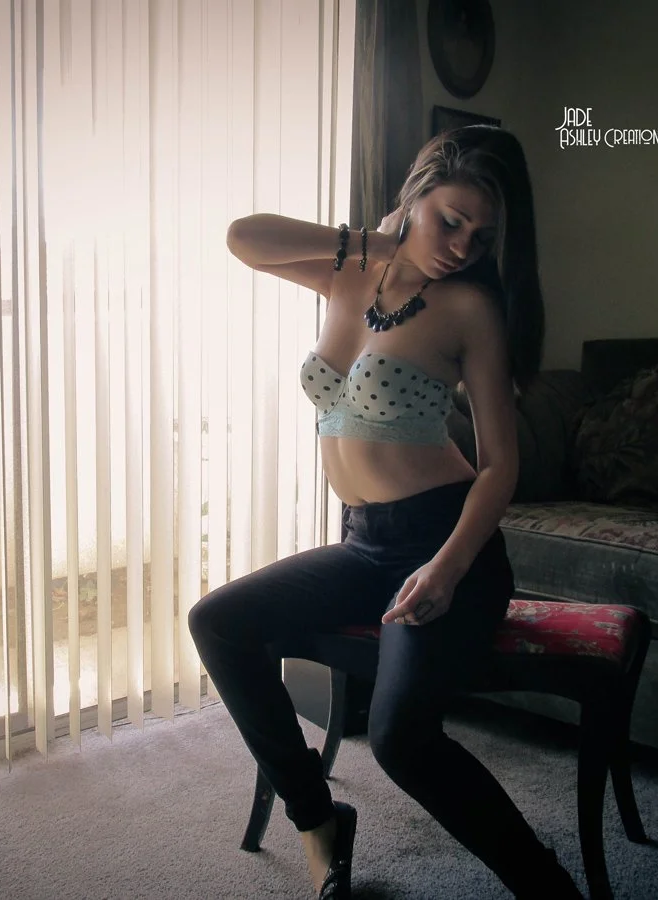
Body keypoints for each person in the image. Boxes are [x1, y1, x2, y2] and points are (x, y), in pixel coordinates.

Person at [187, 126, 583, 899]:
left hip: (449, 545)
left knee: (401, 739)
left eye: (482, 235)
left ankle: (549, 889)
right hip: (366, 545)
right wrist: (372, 242)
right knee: (219, 623)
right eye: (450, 220)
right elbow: (242, 238)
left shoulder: (470, 308)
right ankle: (318, 818)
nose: (462, 246)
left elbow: (501, 466)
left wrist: (447, 568)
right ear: (415, 197)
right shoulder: (346, 273)